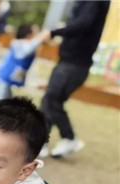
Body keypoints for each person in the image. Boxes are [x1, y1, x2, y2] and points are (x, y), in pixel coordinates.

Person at [40, 0, 111, 158]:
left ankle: (69, 138)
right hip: (69, 61)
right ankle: (40, 141)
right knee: (49, 100)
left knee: (52, 99)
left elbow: (82, 24)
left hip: (75, 63)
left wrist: (54, 32)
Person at [0, 24, 50, 101]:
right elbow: (26, 51)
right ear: (28, 35)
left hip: (7, 81)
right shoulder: (19, 44)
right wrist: (40, 38)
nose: (38, 35)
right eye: (36, 33)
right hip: (2, 80)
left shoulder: (23, 45)